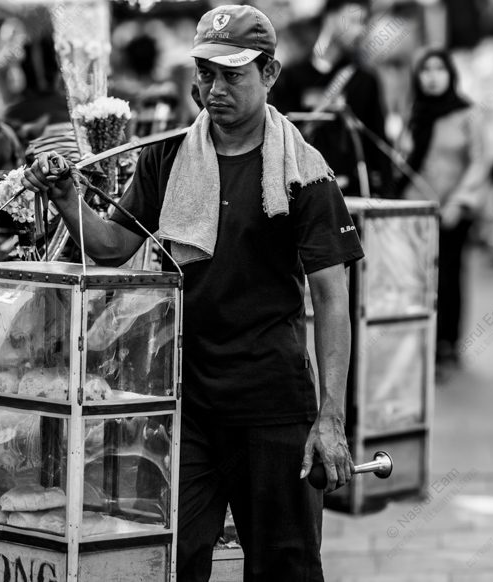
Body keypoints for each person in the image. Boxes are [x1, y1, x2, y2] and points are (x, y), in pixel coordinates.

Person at [22, 5, 364, 580]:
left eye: (233, 75)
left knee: (286, 565)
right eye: (206, 74)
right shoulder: (168, 156)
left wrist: (331, 418)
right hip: (185, 398)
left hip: (272, 401)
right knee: (172, 560)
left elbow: (333, 299)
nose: (215, 89)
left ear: (270, 74)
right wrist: (64, 198)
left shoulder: (305, 173)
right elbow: (112, 246)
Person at [398, 48, 488, 374]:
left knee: (448, 279)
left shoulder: (468, 113)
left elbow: (480, 162)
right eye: (426, 70)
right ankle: (421, 342)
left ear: (451, 74)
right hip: (414, 210)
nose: (432, 76)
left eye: (439, 69)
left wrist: (459, 201)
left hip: (453, 212)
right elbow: (404, 160)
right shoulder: (414, 113)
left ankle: (447, 343)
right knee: (416, 279)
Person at [270, 0, 394, 196]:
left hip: (351, 197)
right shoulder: (291, 77)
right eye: (353, 20)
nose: (360, 30)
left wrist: (386, 198)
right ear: (331, 17)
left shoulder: (364, 80)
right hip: (303, 194)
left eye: (364, 23)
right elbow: (276, 139)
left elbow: (378, 145)